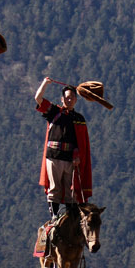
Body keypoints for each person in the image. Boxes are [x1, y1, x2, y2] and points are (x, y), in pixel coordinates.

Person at [35, 77, 93, 218]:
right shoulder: (54, 112)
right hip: (54, 156)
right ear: (62, 99)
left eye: (72, 97)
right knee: (54, 188)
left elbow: (82, 143)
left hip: (70, 160)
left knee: (70, 190)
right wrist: (45, 83)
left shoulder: (79, 119)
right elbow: (38, 98)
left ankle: (70, 217)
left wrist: (79, 155)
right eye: (67, 97)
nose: (69, 100)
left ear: (76, 100)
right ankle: (54, 216)